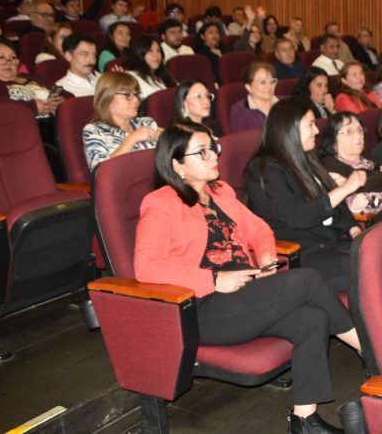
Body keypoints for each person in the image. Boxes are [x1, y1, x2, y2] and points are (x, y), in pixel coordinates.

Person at [135, 122, 360, 433]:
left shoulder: (220, 191)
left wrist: (267, 253)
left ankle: (304, 421)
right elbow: (145, 267)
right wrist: (213, 280)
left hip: (242, 297)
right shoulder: (160, 203)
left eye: (212, 147)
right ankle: (372, 355)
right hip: (202, 308)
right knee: (307, 279)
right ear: (177, 165)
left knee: (312, 319)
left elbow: (258, 229)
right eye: (202, 152)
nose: (213, 154)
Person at [244, 99, 365, 291]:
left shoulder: (306, 157)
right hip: (303, 254)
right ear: (289, 130)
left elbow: (337, 205)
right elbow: (299, 215)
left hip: (331, 243)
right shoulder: (264, 170)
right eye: (310, 124)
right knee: (371, 271)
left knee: (381, 254)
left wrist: (354, 229)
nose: (317, 131)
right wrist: (345, 188)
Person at [317, 112, 382, 221]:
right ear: (332, 139)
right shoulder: (330, 167)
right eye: (349, 131)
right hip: (377, 227)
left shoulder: (367, 160)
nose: (358, 136)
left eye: (359, 130)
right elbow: (352, 203)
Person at [83, 72, 162, 171]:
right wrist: (132, 139)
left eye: (137, 95)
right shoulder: (94, 131)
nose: (136, 101)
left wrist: (167, 138)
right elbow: (101, 172)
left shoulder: (145, 122)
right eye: (127, 95)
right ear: (107, 97)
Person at [0, 37, 62, 117]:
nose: (9, 62)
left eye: (13, 57)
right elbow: (0, 107)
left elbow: (65, 93)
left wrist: (62, 100)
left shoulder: (31, 77)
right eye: (1, 57)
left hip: (57, 121)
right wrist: (32, 107)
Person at [230, 62, 278, 132]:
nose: (269, 86)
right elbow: (242, 141)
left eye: (272, 81)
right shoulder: (239, 111)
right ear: (248, 87)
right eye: (262, 82)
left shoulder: (286, 103)